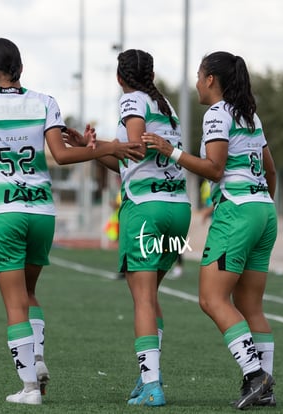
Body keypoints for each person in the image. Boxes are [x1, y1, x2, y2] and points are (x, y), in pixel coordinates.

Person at [0, 38, 142, 406]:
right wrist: (108, 148)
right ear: (20, 69)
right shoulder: (45, 102)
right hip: (41, 212)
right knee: (28, 293)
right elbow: (60, 154)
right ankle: (37, 360)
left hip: (3, 213)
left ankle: (29, 389)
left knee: (13, 303)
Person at [142, 51, 277, 409]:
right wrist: (261, 206)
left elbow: (215, 169)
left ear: (211, 80)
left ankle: (256, 375)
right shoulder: (251, 115)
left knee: (211, 299)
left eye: (199, 76)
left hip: (237, 213)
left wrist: (171, 152)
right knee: (251, 304)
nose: (197, 82)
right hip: (264, 211)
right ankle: (266, 388)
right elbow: (271, 171)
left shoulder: (217, 114)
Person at [68, 49, 191, 406]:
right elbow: (129, 160)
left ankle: (152, 386)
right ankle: (147, 376)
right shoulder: (165, 105)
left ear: (119, 77)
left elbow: (133, 148)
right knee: (150, 297)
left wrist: (100, 144)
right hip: (177, 209)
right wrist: (92, 149)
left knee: (141, 299)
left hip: (146, 209)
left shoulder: (132, 100)